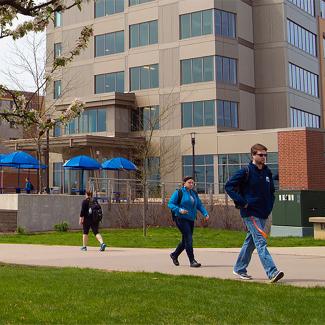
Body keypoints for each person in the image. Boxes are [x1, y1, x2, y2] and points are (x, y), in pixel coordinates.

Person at [225, 143, 284, 283]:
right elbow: (228, 186)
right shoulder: (245, 171)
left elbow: (271, 191)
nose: (263, 157)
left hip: (263, 212)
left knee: (250, 242)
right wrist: (242, 202)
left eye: (265, 155)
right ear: (253, 155)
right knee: (260, 241)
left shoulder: (267, 172)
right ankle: (272, 272)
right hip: (250, 212)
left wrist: (270, 205)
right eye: (260, 155)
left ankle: (239, 268)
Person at [168, 176, 209, 267]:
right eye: (189, 182)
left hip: (190, 219)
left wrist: (205, 213)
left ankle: (174, 255)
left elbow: (199, 205)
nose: (191, 184)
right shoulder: (178, 192)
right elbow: (170, 204)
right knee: (189, 238)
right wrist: (179, 210)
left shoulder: (193, 193)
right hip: (180, 218)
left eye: (192, 183)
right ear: (184, 183)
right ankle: (192, 261)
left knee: (185, 240)